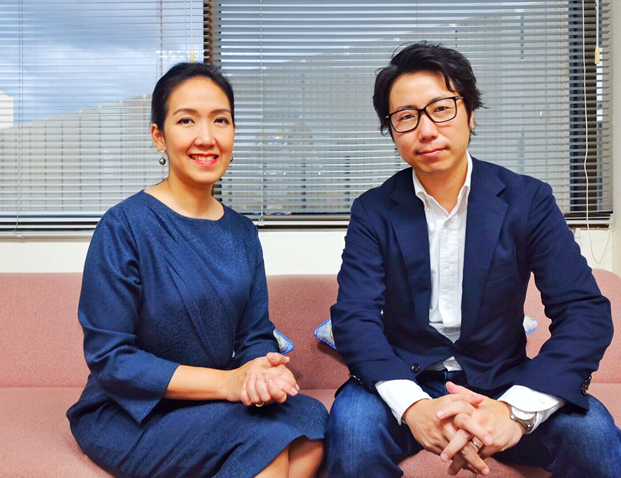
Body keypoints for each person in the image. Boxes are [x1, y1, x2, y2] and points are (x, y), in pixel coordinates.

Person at [326, 42, 621, 477]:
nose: (426, 130)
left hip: (505, 380)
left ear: (470, 113)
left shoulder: (528, 200)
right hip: (404, 376)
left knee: (592, 434)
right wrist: (414, 406)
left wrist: (514, 412)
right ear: (392, 130)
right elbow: (355, 318)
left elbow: (584, 313)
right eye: (406, 117)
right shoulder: (373, 210)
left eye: (441, 109)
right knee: (352, 434)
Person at [67, 62, 327, 478]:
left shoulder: (242, 232)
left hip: (210, 404)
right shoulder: (124, 226)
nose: (206, 137)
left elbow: (254, 335)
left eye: (220, 120)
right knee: (266, 444)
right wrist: (228, 383)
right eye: (187, 120)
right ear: (159, 136)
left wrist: (260, 372)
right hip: (129, 411)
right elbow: (112, 359)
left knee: (312, 422)